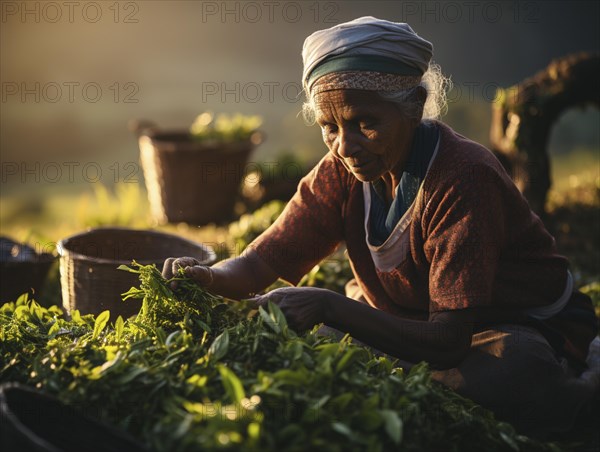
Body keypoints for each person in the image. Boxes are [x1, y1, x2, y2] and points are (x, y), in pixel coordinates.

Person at [163, 17, 598, 437]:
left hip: (513, 325)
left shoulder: (463, 177)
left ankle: (583, 387)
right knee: (319, 337)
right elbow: (258, 263)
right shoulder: (341, 171)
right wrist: (206, 276)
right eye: (329, 127)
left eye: (365, 123)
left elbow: (448, 339)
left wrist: (330, 306)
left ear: (413, 107)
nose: (345, 146)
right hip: (413, 318)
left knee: (509, 373)